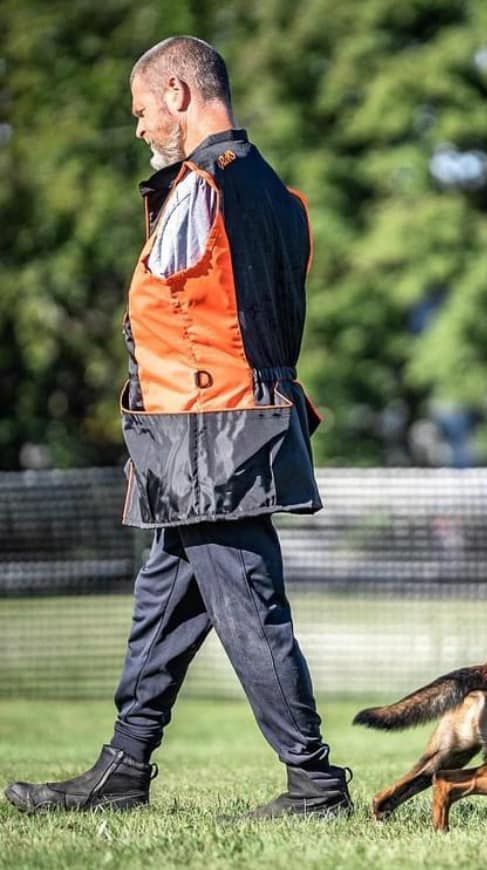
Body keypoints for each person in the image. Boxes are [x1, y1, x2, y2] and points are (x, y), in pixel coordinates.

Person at [3, 36, 350, 818]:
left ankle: (314, 783)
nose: (138, 129)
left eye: (141, 110)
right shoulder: (279, 196)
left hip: (207, 438)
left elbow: (173, 314)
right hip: (228, 431)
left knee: (249, 610)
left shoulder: (199, 189)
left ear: (178, 92)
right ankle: (122, 768)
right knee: (164, 603)